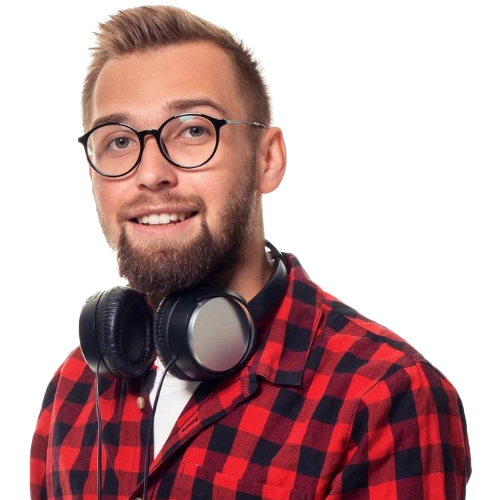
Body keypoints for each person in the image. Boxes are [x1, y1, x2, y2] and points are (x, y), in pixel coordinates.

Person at [29, 4, 472, 499]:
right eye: (118, 141)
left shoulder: (382, 396)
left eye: (193, 130)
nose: (150, 173)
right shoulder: (77, 385)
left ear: (268, 159)